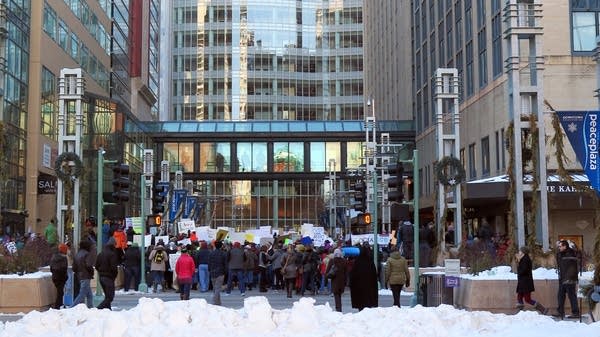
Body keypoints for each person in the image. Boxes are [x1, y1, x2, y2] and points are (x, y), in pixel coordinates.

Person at [515, 246, 547, 314]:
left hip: (526, 283)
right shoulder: (523, 259)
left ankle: (543, 309)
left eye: (520, 251)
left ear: (523, 252)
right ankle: (520, 312)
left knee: (527, 299)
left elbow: (523, 271)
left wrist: (518, 262)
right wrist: (519, 261)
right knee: (519, 296)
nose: (519, 252)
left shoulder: (526, 259)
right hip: (523, 282)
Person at [553, 240, 580, 319]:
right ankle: (560, 312)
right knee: (560, 295)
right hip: (563, 277)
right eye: (559, 246)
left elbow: (572, 267)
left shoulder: (570, 253)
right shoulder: (562, 253)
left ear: (565, 246)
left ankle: (575, 313)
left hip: (569, 278)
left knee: (571, 296)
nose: (559, 248)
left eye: (560, 246)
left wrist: (570, 278)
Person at [349, 245, 379, 311]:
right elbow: (374, 275)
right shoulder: (370, 262)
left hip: (359, 288)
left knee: (361, 305)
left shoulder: (357, 262)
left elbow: (353, 275)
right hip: (369, 287)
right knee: (368, 305)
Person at [95, 237, 120, 310]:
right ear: (113, 245)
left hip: (101, 277)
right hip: (109, 278)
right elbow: (114, 268)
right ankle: (98, 309)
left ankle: (108, 310)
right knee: (110, 297)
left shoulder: (101, 254)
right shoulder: (112, 254)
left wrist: (100, 272)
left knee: (107, 296)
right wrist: (113, 276)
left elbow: (96, 265)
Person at [71, 240, 95, 308]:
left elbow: (74, 268)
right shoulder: (87, 254)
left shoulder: (77, 254)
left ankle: (90, 308)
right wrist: (91, 272)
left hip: (79, 276)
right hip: (86, 276)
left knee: (89, 294)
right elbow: (88, 265)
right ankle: (71, 307)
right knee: (82, 294)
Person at [49, 243, 69, 309]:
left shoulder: (53, 257)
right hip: (61, 278)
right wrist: (66, 277)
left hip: (55, 277)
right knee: (60, 293)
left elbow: (51, 268)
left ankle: (59, 305)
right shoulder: (64, 258)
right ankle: (58, 306)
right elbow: (64, 269)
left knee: (59, 292)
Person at [208, 241, 228, 305]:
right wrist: (226, 272)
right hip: (220, 272)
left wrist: (209, 270)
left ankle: (218, 302)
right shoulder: (223, 253)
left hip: (212, 272)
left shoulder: (211, 253)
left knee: (215, 288)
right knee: (217, 288)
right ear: (221, 246)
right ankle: (215, 302)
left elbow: (209, 263)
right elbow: (225, 263)